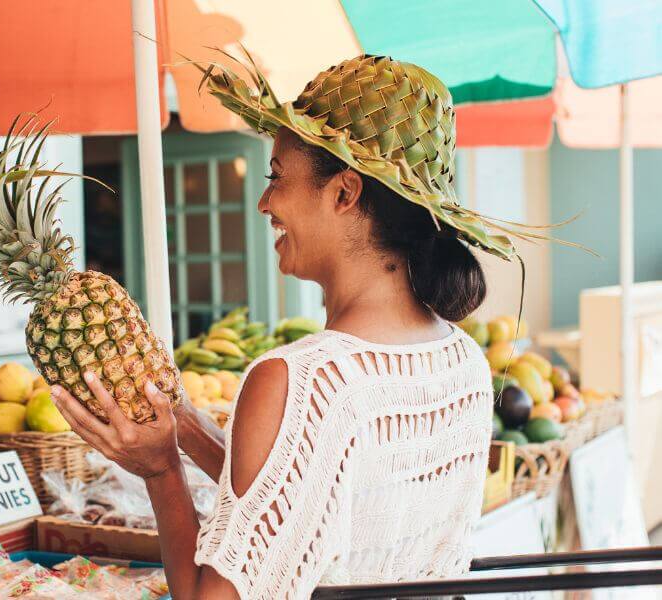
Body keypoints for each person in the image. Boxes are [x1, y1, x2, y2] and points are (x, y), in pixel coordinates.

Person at [52, 54, 524, 599]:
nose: (263, 201)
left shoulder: (297, 380)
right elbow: (320, 504)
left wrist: (160, 472)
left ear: (345, 192)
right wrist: (184, 424)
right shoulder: (464, 360)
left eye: (276, 177)